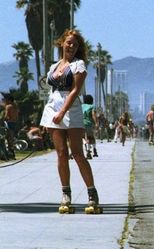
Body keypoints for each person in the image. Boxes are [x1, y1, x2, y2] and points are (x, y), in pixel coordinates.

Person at [39, 29, 101, 214]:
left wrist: (62, 111)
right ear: (62, 44)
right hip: (53, 110)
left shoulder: (78, 65)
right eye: (69, 43)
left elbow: (75, 91)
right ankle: (66, 194)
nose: (72, 46)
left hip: (71, 111)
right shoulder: (54, 66)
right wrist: (48, 117)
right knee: (60, 154)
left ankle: (92, 193)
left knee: (78, 154)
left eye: (75, 44)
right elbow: (51, 92)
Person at [2, 94, 19, 159]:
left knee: (8, 138)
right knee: (11, 138)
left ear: (8, 100)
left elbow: (6, 116)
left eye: (5, 100)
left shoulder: (8, 106)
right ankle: (12, 153)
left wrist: (3, 119)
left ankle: (10, 153)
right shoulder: (15, 106)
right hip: (14, 123)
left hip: (9, 123)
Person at [82, 94, 98, 159]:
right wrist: (96, 122)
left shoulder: (81, 106)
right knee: (91, 137)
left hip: (81, 124)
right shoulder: (92, 106)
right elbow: (93, 114)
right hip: (89, 124)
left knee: (84, 138)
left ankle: (88, 151)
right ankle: (93, 149)